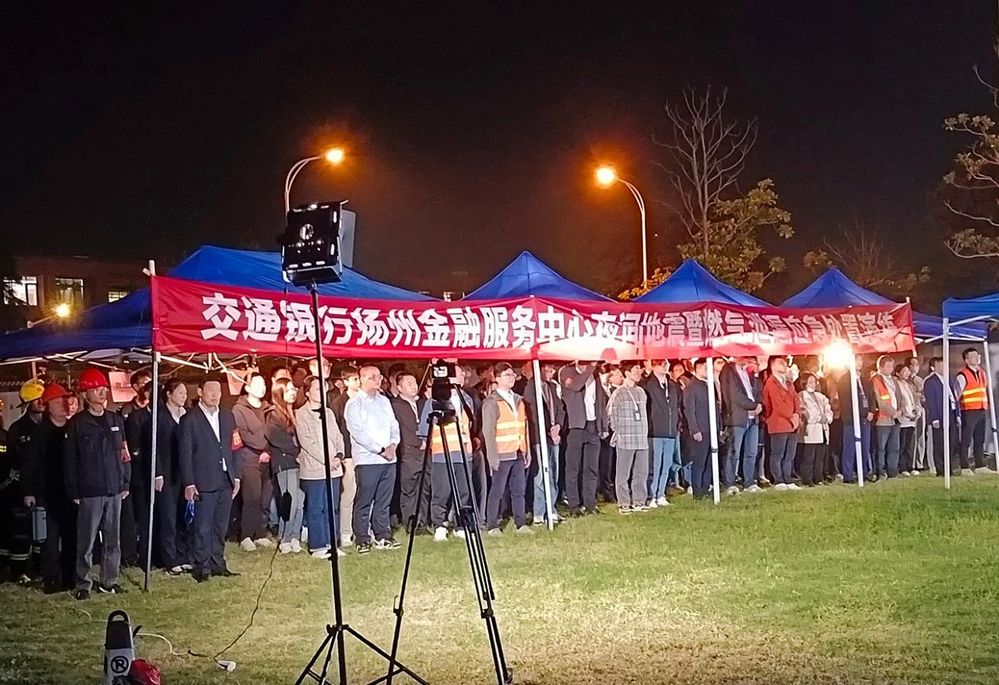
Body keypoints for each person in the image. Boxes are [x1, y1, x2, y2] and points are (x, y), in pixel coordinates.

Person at [63, 369, 131, 599]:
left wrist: (125, 482)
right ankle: (83, 584)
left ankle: (109, 581)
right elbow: (70, 460)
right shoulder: (77, 424)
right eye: (96, 389)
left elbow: (124, 453)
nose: (102, 393)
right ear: (85, 394)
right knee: (86, 540)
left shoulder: (115, 420)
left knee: (113, 539)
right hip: (90, 490)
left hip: (114, 488)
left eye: (103, 389)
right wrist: (74, 490)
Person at [178, 377, 241, 582]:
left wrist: (237, 476)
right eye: (211, 390)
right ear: (200, 392)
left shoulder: (228, 417)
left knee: (220, 525)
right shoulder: (190, 419)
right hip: (203, 480)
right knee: (202, 526)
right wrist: (189, 482)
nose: (215, 395)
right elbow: (185, 454)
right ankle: (202, 566)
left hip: (225, 478)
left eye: (218, 391)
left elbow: (235, 448)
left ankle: (217, 563)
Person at [22, 383, 75, 593]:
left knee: (71, 535)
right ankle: (51, 578)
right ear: (48, 406)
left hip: (70, 492)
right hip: (47, 492)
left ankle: (69, 576)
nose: (63, 404)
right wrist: (29, 491)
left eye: (65, 400)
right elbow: (30, 464)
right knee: (50, 539)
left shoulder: (73, 428)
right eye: (58, 401)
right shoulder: (39, 433)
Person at [345, 365, 401, 554]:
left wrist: (393, 445)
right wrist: (380, 450)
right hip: (368, 460)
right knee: (364, 500)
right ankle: (362, 537)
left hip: (389, 459)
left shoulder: (384, 401)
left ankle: (382, 535)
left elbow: (394, 425)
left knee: (383, 500)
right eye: (372, 377)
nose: (377, 380)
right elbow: (358, 432)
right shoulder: (354, 404)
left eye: (379, 376)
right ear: (361, 379)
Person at [418, 364, 477, 542]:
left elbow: (471, 423)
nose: (462, 377)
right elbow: (424, 429)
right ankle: (440, 525)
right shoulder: (433, 401)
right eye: (458, 374)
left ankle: (461, 525)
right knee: (441, 492)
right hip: (442, 454)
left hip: (463, 453)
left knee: (463, 492)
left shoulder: (466, 398)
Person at [296, 375, 346, 559]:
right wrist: (327, 460)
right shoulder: (302, 414)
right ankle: (317, 545)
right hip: (315, 469)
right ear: (307, 393)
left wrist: (339, 455)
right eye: (317, 389)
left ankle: (332, 542)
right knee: (316, 507)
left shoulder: (329, 412)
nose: (321, 392)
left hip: (334, 468)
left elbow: (338, 436)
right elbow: (307, 442)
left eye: (323, 388)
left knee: (332, 507)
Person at [482, 362, 533, 535]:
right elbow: (488, 431)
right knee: (497, 491)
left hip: (518, 451)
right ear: (497, 378)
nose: (511, 378)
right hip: (501, 453)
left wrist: (527, 451)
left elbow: (524, 427)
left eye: (512, 375)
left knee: (519, 490)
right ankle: (492, 525)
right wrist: (492, 457)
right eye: (507, 375)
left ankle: (521, 523)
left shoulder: (518, 400)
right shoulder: (492, 402)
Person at [2, 379, 45, 582]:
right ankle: (19, 571)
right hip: (23, 487)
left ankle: (40, 567)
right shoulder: (17, 429)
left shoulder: (49, 425)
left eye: (43, 398)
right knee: (23, 530)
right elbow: (13, 459)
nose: (41, 402)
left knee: (43, 530)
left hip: (45, 485)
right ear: (28, 403)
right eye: (36, 399)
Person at [149, 379, 191, 575]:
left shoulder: (187, 415)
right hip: (166, 472)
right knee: (168, 516)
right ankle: (169, 558)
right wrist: (157, 473)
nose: (183, 396)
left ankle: (182, 554)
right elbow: (154, 448)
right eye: (180, 392)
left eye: (185, 393)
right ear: (168, 394)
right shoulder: (159, 417)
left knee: (184, 515)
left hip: (183, 473)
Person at [559, 361, 609, 516]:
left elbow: (600, 401)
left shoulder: (594, 375)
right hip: (576, 426)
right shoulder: (567, 371)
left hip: (593, 425)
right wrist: (590, 368)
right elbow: (576, 386)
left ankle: (590, 503)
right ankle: (574, 505)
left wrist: (603, 425)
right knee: (573, 468)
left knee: (591, 468)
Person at [232, 372, 273, 552]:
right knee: (252, 497)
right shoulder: (239, 409)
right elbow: (243, 434)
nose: (262, 388)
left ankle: (260, 533)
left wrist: (268, 450)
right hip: (249, 459)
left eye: (263, 384)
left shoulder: (268, 408)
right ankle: (246, 534)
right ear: (248, 387)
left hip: (268, 458)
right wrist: (262, 447)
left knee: (265, 498)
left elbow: (274, 431)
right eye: (257, 384)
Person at [523, 360, 565, 524]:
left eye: (552, 370)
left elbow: (560, 408)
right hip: (539, 438)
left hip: (554, 436)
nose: (551, 373)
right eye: (548, 370)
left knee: (553, 473)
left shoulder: (552, 387)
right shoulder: (530, 387)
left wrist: (558, 427)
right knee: (541, 475)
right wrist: (548, 430)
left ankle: (552, 509)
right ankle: (539, 513)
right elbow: (534, 414)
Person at [606, 362, 650, 514]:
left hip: (641, 438)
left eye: (639, 370)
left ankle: (639, 501)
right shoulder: (619, 393)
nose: (638, 373)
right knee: (623, 473)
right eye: (635, 370)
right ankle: (624, 503)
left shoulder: (641, 392)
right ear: (627, 373)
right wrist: (617, 430)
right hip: (626, 438)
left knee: (641, 472)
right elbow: (611, 414)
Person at [266, 378, 303, 554]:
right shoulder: (273, 414)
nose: (293, 392)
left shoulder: (294, 412)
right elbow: (278, 439)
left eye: (293, 388)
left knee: (300, 503)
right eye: (288, 390)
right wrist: (298, 451)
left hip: (301, 463)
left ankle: (294, 535)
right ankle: (284, 537)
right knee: (290, 501)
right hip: (286, 463)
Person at [391, 372, 430, 532]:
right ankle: (411, 522)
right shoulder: (396, 405)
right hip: (409, 452)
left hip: (426, 451)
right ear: (399, 387)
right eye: (409, 384)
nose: (414, 386)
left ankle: (423, 521)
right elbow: (401, 429)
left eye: (414, 383)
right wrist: (418, 442)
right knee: (410, 488)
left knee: (425, 487)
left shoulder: (422, 403)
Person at [719, 356, 764, 495]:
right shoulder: (729, 370)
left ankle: (749, 481)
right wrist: (752, 405)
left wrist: (758, 404)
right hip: (737, 417)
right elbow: (734, 394)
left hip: (753, 417)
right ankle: (730, 482)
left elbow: (757, 390)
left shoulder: (749, 372)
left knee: (751, 452)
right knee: (734, 452)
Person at [121, 377, 152, 569]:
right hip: (139, 474)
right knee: (139, 515)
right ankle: (135, 553)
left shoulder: (158, 415)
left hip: (155, 474)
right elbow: (133, 447)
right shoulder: (132, 414)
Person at [331, 366, 360, 547]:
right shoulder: (338, 403)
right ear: (346, 381)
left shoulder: (364, 400)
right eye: (354, 379)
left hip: (365, 453)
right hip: (348, 454)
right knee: (349, 493)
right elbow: (335, 430)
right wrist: (340, 453)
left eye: (359, 378)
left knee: (364, 493)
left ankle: (362, 529)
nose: (358, 382)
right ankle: (345, 531)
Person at [763, 356, 801, 491]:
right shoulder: (770, 383)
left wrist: (797, 414)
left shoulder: (789, 383)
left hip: (792, 423)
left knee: (789, 454)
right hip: (779, 422)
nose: (785, 365)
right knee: (778, 453)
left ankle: (788, 479)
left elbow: (796, 399)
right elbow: (776, 404)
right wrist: (791, 416)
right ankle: (778, 480)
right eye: (781, 363)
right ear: (773, 366)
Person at [955, 347, 994, 474]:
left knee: (980, 438)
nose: (977, 358)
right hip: (968, 410)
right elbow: (956, 394)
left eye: (978, 356)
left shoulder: (982, 372)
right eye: (973, 356)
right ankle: (965, 467)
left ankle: (980, 465)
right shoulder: (962, 375)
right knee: (966, 439)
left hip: (981, 408)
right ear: (966, 360)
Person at [837, 355, 874, 483]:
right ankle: (848, 475)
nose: (859, 363)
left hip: (865, 420)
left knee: (864, 447)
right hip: (851, 420)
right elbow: (847, 402)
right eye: (856, 360)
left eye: (860, 360)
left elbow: (871, 396)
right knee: (850, 448)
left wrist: (871, 411)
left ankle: (863, 473)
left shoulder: (864, 379)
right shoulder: (844, 380)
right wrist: (862, 414)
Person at [682, 359, 713, 498]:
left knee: (709, 462)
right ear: (698, 369)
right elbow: (689, 410)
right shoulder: (691, 387)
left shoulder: (708, 386)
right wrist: (695, 429)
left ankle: (706, 488)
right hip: (701, 430)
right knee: (699, 462)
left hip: (711, 429)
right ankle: (697, 490)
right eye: (705, 368)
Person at [924, 357, 959, 477]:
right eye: (941, 365)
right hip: (939, 416)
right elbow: (931, 402)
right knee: (939, 443)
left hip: (951, 413)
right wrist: (934, 418)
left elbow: (954, 396)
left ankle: (949, 468)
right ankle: (940, 469)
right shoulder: (930, 381)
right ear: (935, 367)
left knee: (950, 443)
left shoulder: (948, 379)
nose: (944, 367)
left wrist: (957, 414)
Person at [798, 373, 832, 487]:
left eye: (815, 382)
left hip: (822, 428)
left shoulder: (820, 396)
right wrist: (818, 418)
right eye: (811, 382)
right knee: (809, 456)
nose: (814, 384)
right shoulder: (801, 396)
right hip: (811, 430)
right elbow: (805, 413)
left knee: (820, 456)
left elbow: (828, 408)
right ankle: (807, 479)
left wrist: (827, 417)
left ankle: (818, 478)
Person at [871, 355, 901, 480]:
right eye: (888, 366)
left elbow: (899, 396)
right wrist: (892, 412)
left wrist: (900, 410)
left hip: (896, 418)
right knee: (881, 448)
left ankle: (892, 471)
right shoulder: (875, 380)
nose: (891, 369)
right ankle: (880, 471)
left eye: (892, 366)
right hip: (882, 419)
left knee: (894, 447)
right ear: (881, 367)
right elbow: (879, 400)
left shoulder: (893, 380)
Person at [895, 364, 919, 477]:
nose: (907, 373)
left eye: (907, 371)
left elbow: (913, 399)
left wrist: (916, 411)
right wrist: (905, 412)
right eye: (904, 371)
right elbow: (899, 401)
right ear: (898, 373)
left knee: (909, 444)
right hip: (902, 418)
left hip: (911, 418)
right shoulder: (896, 384)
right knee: (902, 444)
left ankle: (910, 466)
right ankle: (902, 467)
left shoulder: (909, 384)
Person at [906, 357, 927, 471]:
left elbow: (924, 394)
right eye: (913, 364)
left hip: (920, 408)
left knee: (920, 436)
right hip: (910, 410)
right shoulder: (905, 379)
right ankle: (911, 463)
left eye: (917, 364)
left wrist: (921, 396)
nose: (915, 367)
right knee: (912, 438)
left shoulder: (919, 379)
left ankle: (919, 462)